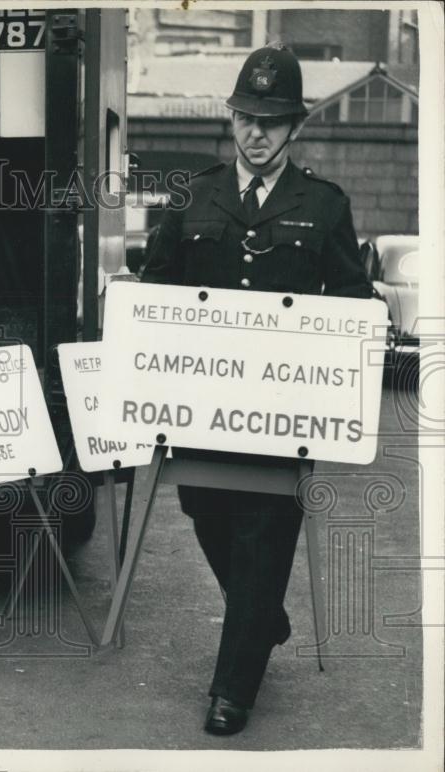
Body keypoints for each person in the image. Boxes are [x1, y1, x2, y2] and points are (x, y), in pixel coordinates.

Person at [141, 44, 374, 734]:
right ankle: (264, 616)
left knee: (264, 528)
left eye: (271, 121)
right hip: (203, 410)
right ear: (231, 119)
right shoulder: (195, 197)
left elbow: (353, 304)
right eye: (246, 117)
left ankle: (231, 690)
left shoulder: (324, 206)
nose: (256, 132)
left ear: (294, 126)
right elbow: (157, 292)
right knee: (206, 510)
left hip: (285, 415)